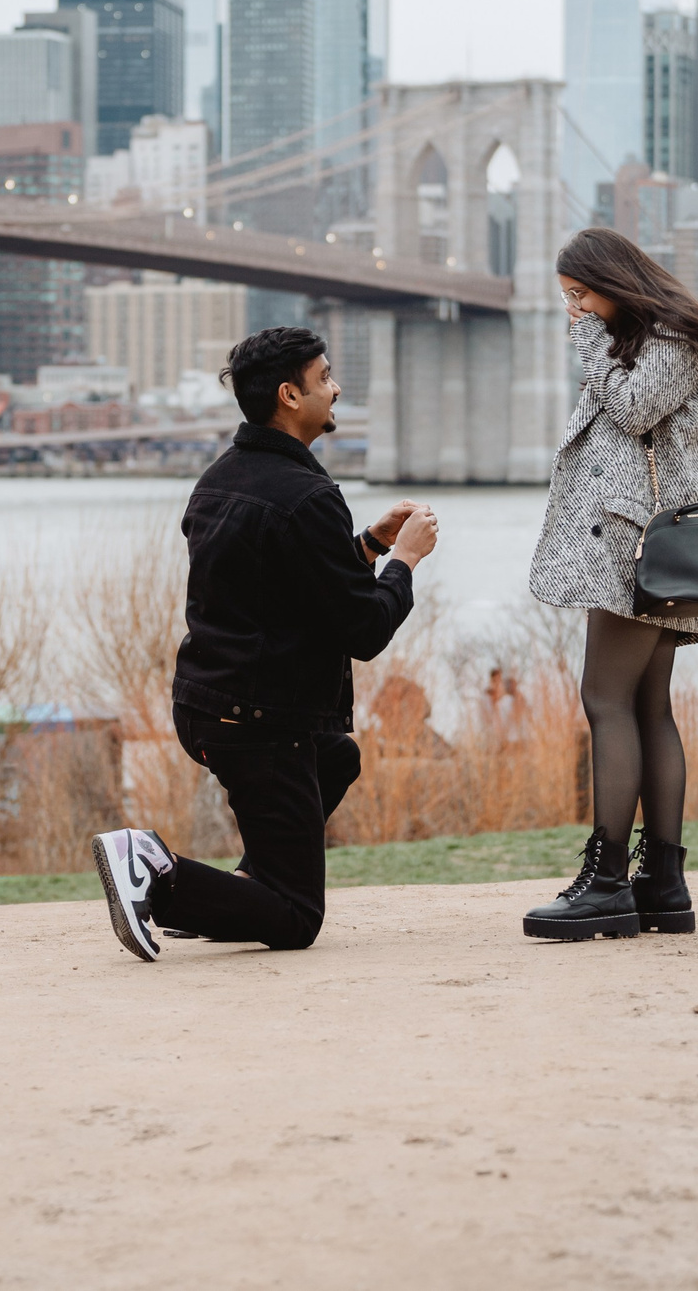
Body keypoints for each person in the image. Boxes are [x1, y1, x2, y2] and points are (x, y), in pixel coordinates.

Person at [91, 325, 438, 960]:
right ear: (289, 395)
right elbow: (362, 632)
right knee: (296, 917)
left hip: (205, 704)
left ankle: (236, 891)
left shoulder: (220, 479)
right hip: (260, 721)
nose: (336, 389)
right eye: (325, 378)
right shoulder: (308, 495)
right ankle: (154, 869)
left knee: (336, 757)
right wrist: (405, 563)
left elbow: (283, 590)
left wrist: (368, 547)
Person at [522, 226, 698, 940]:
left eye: (579, 296)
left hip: (641, 549)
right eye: (566, 302)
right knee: (645, 705)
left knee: (604, 697)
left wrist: (587, 345)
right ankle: (662, 885)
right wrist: (599, 340)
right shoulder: (649, 339)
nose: (573, 312)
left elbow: (634, 409)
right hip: (641, 543)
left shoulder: (673, 338)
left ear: (614, 281)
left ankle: (607, 881)